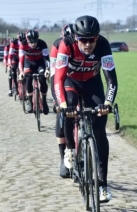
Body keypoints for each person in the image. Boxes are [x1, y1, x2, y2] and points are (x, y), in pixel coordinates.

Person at [54, 15, 118, 202]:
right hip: (70, 82)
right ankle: (70, 149)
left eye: (92, 39)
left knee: (99, 132)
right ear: (76, 37)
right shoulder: (66, 45)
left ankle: (103, 185)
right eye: (84, 39)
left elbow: (111, 79)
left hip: (92, 83)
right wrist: (63, 105)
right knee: (70, 106)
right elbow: (57, 79)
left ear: (97, 37)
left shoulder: (103, 45)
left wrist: (107, 103)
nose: (88, 44)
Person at [49, 24, 75, 178]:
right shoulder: (58, 45)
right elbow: (54, 75)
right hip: (62, 79)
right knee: (62, 116)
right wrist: (58, 100)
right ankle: (62, 157)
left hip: (79, 80)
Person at [18, 29, 50, 114]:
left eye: (35, 41)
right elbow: (21, 60)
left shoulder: (42, 44)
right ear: (27, 40)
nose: (33, 44)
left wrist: (47, 69)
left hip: (40, 63)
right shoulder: (23, 45)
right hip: (28, 63)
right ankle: (29, 102)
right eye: (31, 42)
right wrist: (21, 71)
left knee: (42, 79)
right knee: (28, 80)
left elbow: (46, 59)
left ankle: (44, 101)